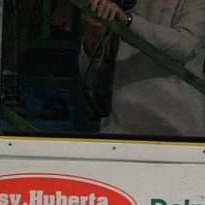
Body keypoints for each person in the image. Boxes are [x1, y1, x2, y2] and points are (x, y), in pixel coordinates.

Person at [79, 0, 205, 136]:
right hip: (120, 131)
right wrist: (92, 37)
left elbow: (185, 46)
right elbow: (90, 77)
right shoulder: (117, 3)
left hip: (179, 134)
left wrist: (129, 21)